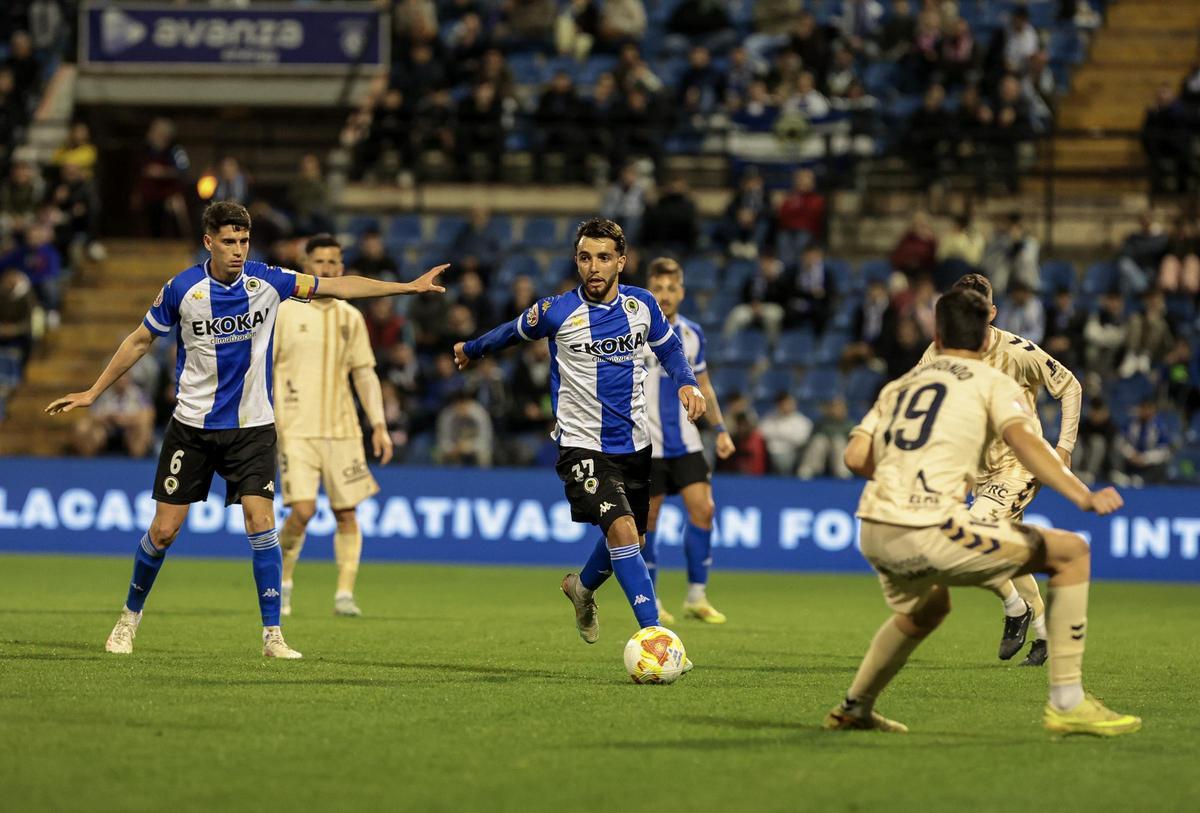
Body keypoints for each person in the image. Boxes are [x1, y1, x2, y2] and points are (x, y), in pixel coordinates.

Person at [44, 201, 447, 658]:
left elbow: (338, 286)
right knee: (164, 531)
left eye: (244, 241)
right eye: (229, 242)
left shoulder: (269, 281)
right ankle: (128, 619)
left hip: (252, 428)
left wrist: (408, 287)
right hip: (192, 427)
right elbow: (141, 339)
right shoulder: (182, 289)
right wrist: (93, 392)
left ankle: (273, 634)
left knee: (261, 522)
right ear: (208, 242)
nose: (238, 250)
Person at [826, 288, 1139, 736]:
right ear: (985, 333)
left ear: (938, 335)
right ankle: (1068, 702)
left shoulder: (901, 386)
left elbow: (855, 457)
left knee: (928, 610)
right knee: (1071, 552)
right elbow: (1027, 443)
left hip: (874, 527)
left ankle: (853, 709)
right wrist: (1082, 495)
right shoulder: (992, 380)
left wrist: (907, 477)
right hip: (927, 526)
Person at [453, 218, 706, 653]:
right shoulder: (557, 311)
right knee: (623, 530)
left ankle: (582, 588)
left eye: (604, 258)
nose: (594, 267)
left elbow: (669, 348)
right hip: (581, 444)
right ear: (576, 260)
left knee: (632, 537)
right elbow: (511, 331)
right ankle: (655, 637)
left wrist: (687, 383)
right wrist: (470, 349)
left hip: (635, 443)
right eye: (586, 257)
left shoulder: (643, 305)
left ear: (621, 262)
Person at [916, 274, 1081, 666]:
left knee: (969, 538)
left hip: (1019, 464)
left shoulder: (1018, 352)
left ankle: (1015, 609)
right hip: (979, 471)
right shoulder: (939, 351)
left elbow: (1070, 386)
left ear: (991, 313)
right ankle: (1046, 634)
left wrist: (1064, 446)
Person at [273, 235, 393, 619]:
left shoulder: (351, 317)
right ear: (305, 265)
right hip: (296, 428)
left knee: (347, 512)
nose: (327, 268)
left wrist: (379, 424)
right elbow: (261, 368)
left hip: (343, 429)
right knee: (303, 510)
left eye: (333, 262)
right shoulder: (283, 311)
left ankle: (344, 593)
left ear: (342, 267)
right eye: (320, 261)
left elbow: (365, 374)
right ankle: (282, 582)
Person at [639, 258, 735, 625]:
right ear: (649, 291)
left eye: (671, 288)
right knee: (648, 519)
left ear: (681, 292)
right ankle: (652, 600)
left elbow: (704, 386)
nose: (664, 295)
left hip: (687, 442)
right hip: (646, 443)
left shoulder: (692, 334)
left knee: (704, 509)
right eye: (658, 289)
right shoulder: (635, 329)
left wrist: (720, 428)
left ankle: (697, 596)